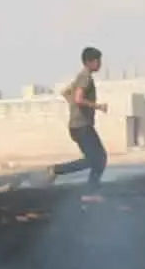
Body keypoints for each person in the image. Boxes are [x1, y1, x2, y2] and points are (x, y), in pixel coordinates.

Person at [46, 46, 108, 189]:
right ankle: (57, 170)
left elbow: (66, 92)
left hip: (79, 125)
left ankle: (92, 187)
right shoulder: (85, 77)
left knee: (98, 159)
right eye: (98, 61)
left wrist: (74, 106)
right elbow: (79, 99)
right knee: (97, 159)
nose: (100, 64)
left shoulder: (82, 76)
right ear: (89, 62)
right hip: (81, 126)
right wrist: (98, 106)